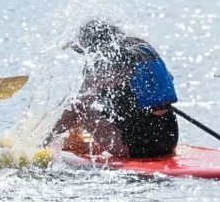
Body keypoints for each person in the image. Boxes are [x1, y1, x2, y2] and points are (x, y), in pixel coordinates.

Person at [45, 19, 180, 159]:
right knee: (98, 106)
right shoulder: (140, 48)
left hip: (138, 148)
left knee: (78, 108)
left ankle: (61, 141)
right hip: (169, 139)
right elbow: (170, 77)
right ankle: (77, 138)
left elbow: (79, 106)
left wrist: (46, 139)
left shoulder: (108, 65)